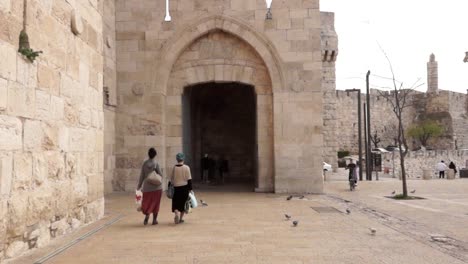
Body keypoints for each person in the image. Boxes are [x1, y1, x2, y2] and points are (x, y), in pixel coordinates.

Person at [137, 148, 163, 225]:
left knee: (147, 202)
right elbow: (161, 175)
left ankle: (147, 214)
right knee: (156, 203)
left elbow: (142, 176)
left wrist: (139, 186)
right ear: (155, 155)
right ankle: (154, 220)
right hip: (157, 188)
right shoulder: (156, 163)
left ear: (148, 154)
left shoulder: (144, 164)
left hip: (147, 188)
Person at [169, 153, 192, 224]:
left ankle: (176, 213)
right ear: (183, 159)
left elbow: (171, 179)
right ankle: (181, 219)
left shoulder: (174, 168)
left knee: (176, 203)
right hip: (184, 188)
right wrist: (190, 189)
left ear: (177, 159)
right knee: (183, 204)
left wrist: (169, 187)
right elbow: (189, 180)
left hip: (176, 188)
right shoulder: (187, 167)